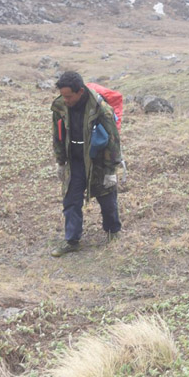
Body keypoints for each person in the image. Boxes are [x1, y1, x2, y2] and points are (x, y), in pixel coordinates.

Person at [50, 71, 122, 257]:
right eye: (63, 95)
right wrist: (60, 162)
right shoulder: (60, 107)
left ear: (80, 92)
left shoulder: (101, 109)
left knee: (106, 197)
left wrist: (111, 171)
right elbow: (58, 135)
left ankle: (113, 231)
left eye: (68, 96)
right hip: (74, 160)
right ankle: (72, 240)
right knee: (70, 200)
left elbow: (113, 140)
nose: (65, 100)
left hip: (97, 160)